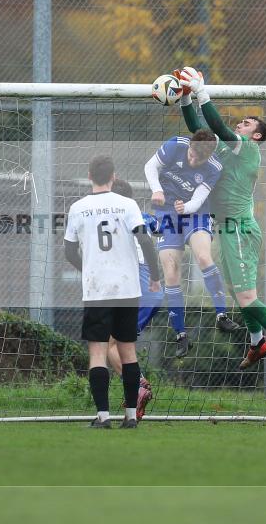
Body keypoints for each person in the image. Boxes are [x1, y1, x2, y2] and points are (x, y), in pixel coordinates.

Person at [175, 67, 266, 380]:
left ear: (255, 135)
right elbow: (201, 130)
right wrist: (186, 100)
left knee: (246, 297)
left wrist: (202, 93)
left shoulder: (249, 149)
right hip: (226, 230)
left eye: (247, 123)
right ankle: (257, 343)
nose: (240, 124)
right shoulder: (225, 150)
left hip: (241, 230)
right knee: (238, 292)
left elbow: (216, 123)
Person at [64, 156, 162, 429]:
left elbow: (69, 251)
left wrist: (90, 269)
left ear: (89, 175)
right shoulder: (127, 204)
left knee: (97, 353)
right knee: (127, 350)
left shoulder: (78, 207)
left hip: (97, 289)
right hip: (127, 287)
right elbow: (144, 239)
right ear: (113, 176)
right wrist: (155, 276)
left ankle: (103, 417)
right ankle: (130, 417)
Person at [144, 129, 239, 359]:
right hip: (167, 212)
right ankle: (181, 335)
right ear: (190, 145)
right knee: (171, 272)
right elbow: (150, 166)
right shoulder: (176, 144)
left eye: (199, 159)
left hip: (195, 213)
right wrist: (157, 190)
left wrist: (185, 208)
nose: (193, 160)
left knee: (204, 257)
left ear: (209, 157)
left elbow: (198, 199)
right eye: (192, 155)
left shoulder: (214, 168)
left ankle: (221, 316)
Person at [106, 178, 157, 420]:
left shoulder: (113, 221)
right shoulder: (144, 217)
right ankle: (135, 393)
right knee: (124, 344)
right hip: (155, 291)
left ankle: (137, 386)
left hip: (138, 287)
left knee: (109, 345)